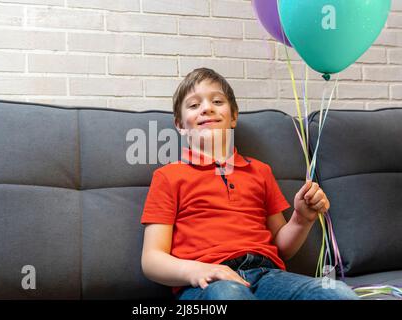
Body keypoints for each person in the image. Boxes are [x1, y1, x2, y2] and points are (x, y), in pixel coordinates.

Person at [140, 68, 359, 300]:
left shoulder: (260, 171)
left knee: (337, 293)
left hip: (268, 276)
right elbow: (152, 259)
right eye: (194, 105)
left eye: (217, 101)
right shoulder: (168, 176)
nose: (207, 108)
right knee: (230, 296)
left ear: (233, 116)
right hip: (208, 283)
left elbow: (281, 248)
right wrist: (198, 271)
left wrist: (301, 219)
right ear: (180, 125)